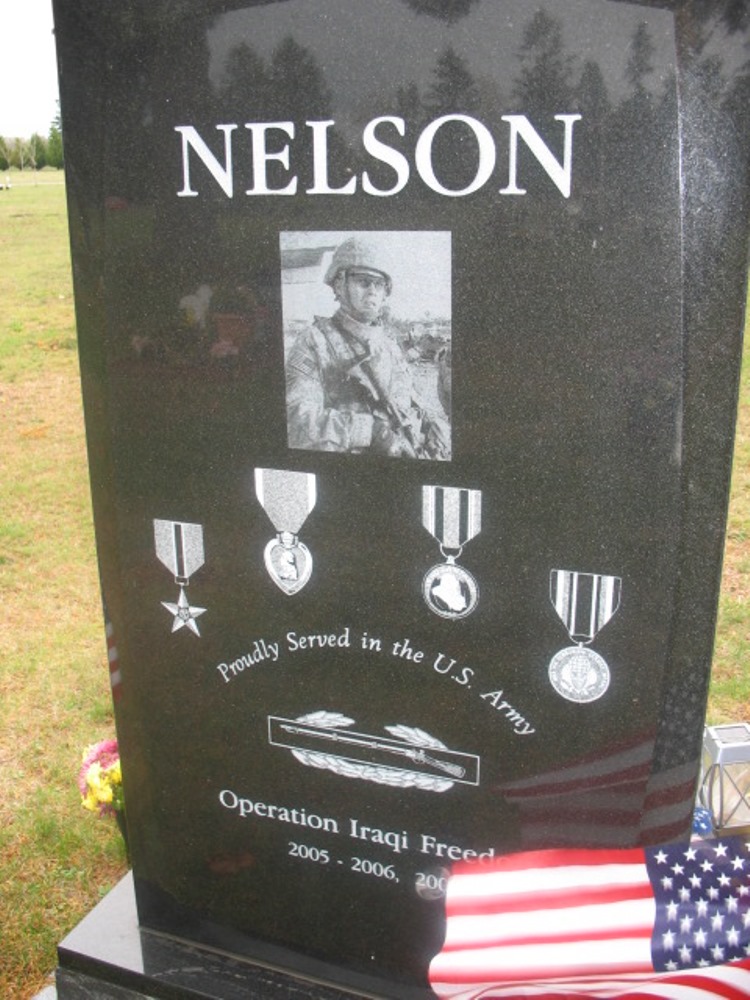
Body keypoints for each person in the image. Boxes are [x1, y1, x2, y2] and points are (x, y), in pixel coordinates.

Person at [284, 236, 450, 459]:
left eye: (379, 284)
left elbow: (412, 400)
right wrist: (369, 432)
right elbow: (295, 420)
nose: (372, 290)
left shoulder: (389, 345)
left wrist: (434, 426)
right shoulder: (314, 341)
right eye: (363, 281)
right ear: (340, 285)